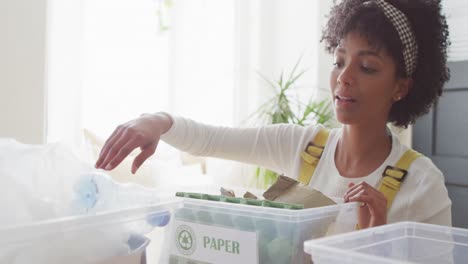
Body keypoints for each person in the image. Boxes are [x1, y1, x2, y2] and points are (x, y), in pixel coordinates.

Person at [95, 0, 452, 229]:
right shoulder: (303, 146)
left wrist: (373, 243)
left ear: (401, 87)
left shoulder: (421, 185)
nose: (344, 77)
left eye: (368, 67)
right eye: (339, 61)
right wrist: (156, 121)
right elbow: (213, 138)